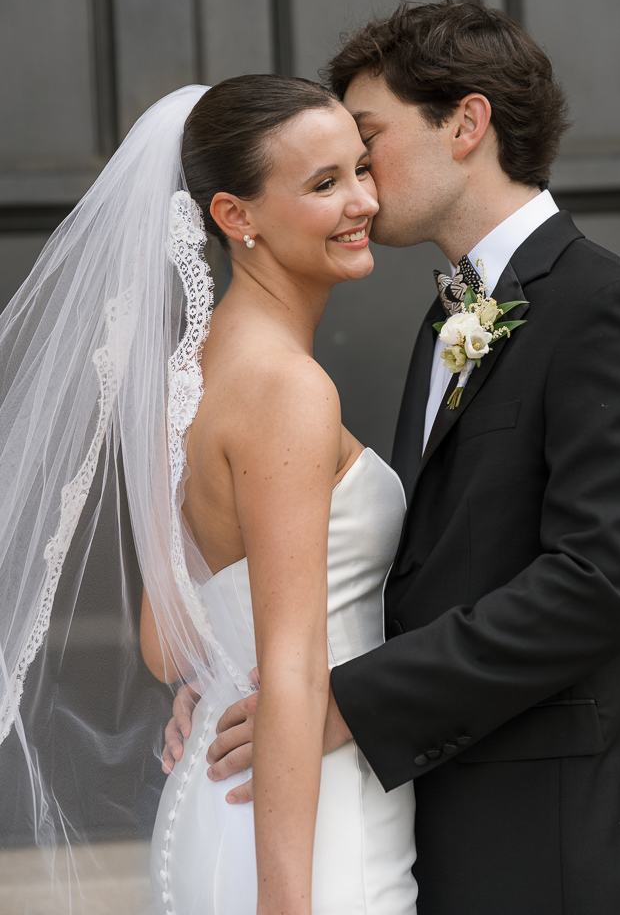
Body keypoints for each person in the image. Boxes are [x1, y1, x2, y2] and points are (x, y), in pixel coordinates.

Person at [169, 0, 620, 913]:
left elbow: (601, 579)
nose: (355, 176)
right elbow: (419, 571)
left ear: (465, 124)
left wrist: (344, 702)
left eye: (368, 141)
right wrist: (235, 673)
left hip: (553, 827)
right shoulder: (442, 322)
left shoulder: (602, 308)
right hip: (426, 809)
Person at [0, 77, 415, 915]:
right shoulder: (288, 391)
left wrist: (214, 678)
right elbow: (296, 667)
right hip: (309, 830)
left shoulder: (186, 374)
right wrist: (285, 903)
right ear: (236, 217)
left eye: (361, 169)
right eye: (324, 184)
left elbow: (164, 648)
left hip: (214, 798)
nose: (363, 201)